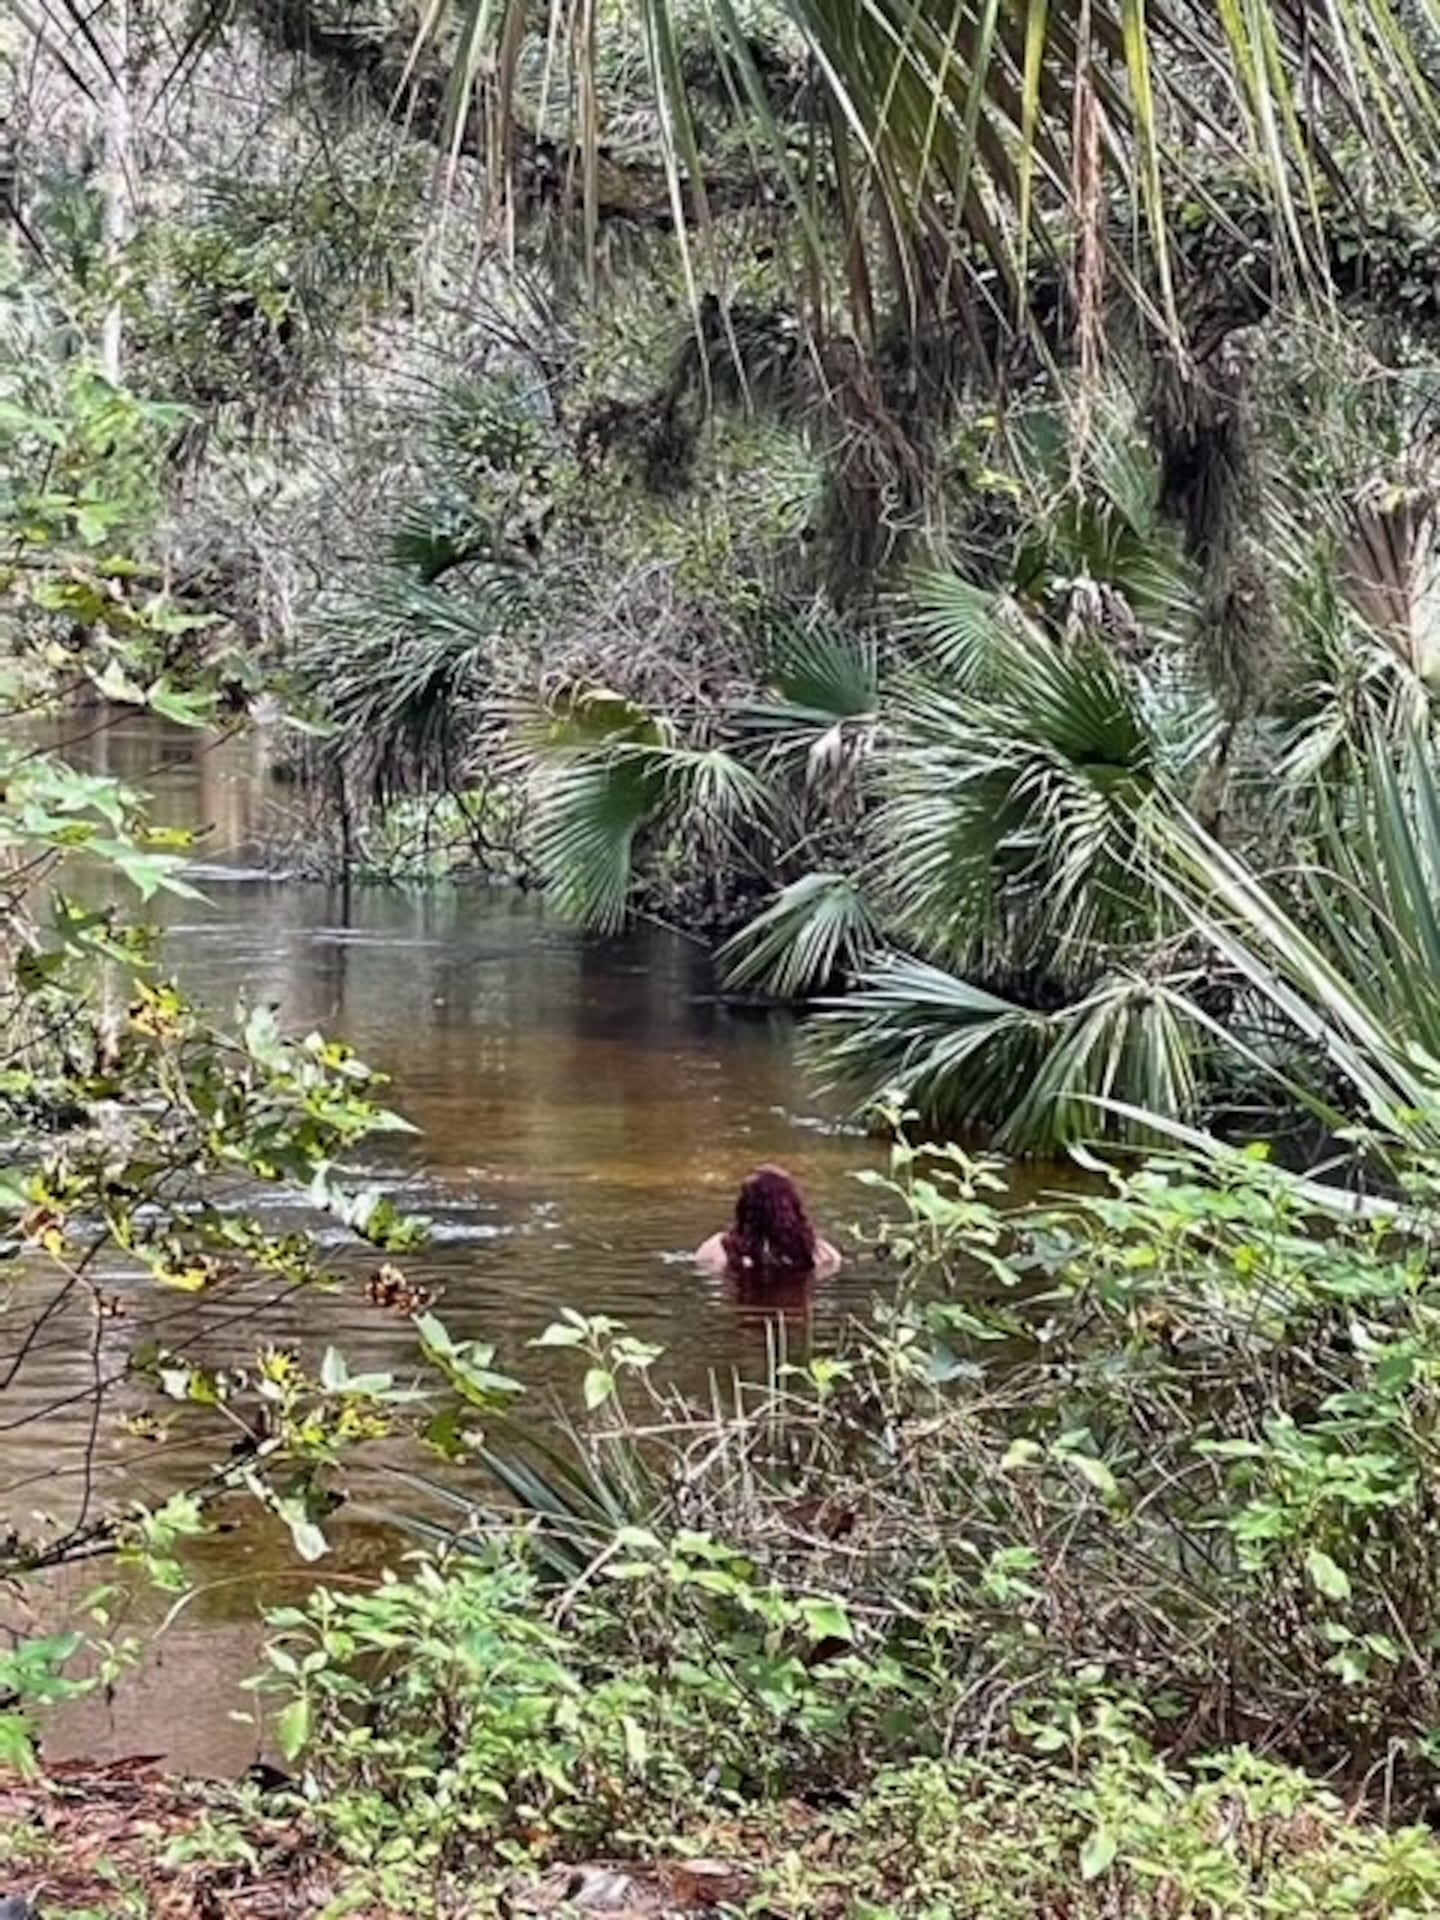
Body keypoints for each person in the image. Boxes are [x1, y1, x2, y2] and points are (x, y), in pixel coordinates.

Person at [695, 1164, 841, 1282]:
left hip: (747, 1310)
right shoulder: (820, 1253)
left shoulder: (717, 1250)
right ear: (793, 1206)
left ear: (744, 1207)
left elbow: (704, 1269)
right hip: (791, 1313)